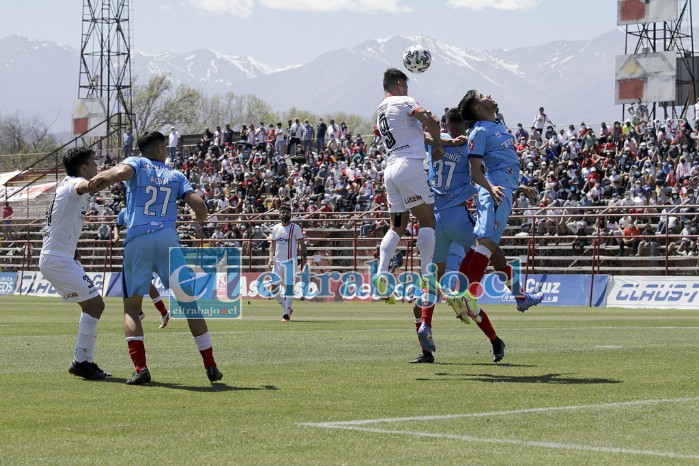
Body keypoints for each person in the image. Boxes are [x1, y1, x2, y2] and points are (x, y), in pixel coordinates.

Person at [88, 131, 222, 385]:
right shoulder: (176, 175)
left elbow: (117, 174)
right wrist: (199, 219)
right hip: (167, 241)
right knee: (189, 304)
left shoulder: (136, 163)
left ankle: (141, 368)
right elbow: (201, 209)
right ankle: (210, 364)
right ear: (160, 148)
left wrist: (95, 182)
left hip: (138, 239)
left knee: (131, 307)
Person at [456, 90, 543, 319]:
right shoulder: (480, 131)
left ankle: (520, 297)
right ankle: (467, 292)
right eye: (482, 95)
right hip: (495, 191)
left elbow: (503, 163)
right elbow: (476, 171)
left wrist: (518, 185)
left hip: (505, 188)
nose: (489, 95)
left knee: (491, 249)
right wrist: (491, 187)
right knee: (487, 242)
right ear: (477, 107)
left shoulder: (497, 124)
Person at [38, 147, 110, 380]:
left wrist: (72, 247)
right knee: (95, 305)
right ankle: (81, 362)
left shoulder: (65, 186)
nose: (97, 167)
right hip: (57, 260)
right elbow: (85, 186)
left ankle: (84, 361)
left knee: (92, 306)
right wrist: (119, 173)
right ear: (84, 167)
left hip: (61, 257)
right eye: (93, 163)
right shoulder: (74, 184)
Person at [373, 68, 442, 302]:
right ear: (400, 83)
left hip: (390, 169)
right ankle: (426, 278)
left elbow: (411, 134)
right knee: (427, 220)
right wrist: (440, 143)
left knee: (397, 226)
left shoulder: (381, 108)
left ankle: (381, 273)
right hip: (409, 165)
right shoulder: (405, 101)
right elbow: (429, 121)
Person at [113, 208, 171, 328]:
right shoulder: (124, 212)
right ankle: (144, 312)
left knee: (146, 283)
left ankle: (156, 313)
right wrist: (116, 235)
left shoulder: (144, 210)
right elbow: (116, 225)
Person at [268, 206, 307, 322]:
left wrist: (304, 260)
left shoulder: (295, 228)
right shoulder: (275, 228)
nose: (285, 213)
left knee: (288, 288)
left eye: (287, 212)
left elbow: (302, 245)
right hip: (278, 262)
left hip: (290, 262)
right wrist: (271, 258)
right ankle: (286, 307)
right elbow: (272, 245)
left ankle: (286, 314)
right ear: (279, 214)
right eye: (282, 212)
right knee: (273, 288)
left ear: (290, 214)